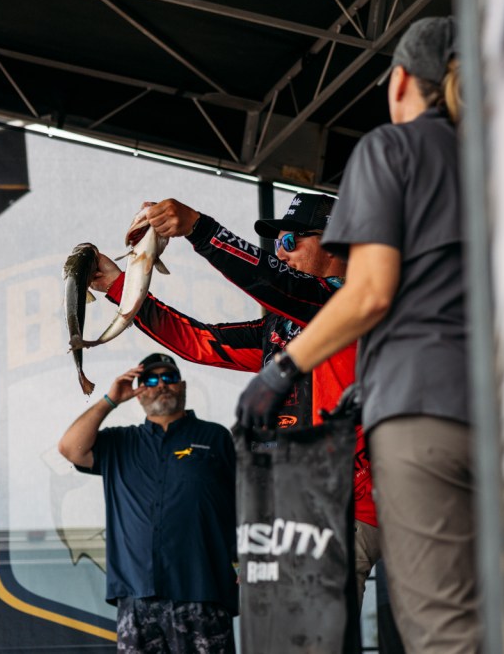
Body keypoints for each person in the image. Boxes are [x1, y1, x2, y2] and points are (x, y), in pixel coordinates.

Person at [236, 17, 477, 653]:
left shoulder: (391, 150)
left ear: (401, 82)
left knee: (444, 630)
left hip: (422, 412)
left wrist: (280, 370)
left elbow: (368, 293)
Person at [89, 192, 380, 604]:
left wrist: (200, 229)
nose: (281, 252)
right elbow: (200, 342)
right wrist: (118, 286)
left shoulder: (358, 301)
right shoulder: (285, 324)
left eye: (291, 241)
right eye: (277, 242)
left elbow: (276, 284)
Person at [58, 353, 237, 653]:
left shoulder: (215, 437)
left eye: (169, 378)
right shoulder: (119, 442)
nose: (161, 385)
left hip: (203, 588)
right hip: (136, 595)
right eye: (151, 380)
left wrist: (248, 560)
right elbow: (69, 448)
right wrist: (111, 399)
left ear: (182, 386)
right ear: (139, 392)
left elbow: (243, 498)